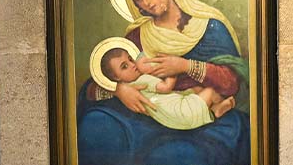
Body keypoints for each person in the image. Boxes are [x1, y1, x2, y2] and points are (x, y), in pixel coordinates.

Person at [88, 0, 250, 116]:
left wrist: (185, 66)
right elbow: (94, 87)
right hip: (157, 113)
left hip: (199, 111)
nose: (146, 2)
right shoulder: (137, 36)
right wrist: (119, 90)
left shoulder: (210, 27)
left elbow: (233, 83)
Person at [95, 43, 235, 130]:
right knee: (209, 91)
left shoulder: (132, 82)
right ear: (116, 78)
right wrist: (173, 70)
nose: (132, 65)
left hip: (170, 119)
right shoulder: (143, 79)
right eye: (124, 66)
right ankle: (215, 107)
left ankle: (215, 110)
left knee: (196, 91)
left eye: (131, 59)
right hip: (180, 112)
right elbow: (166, 87)